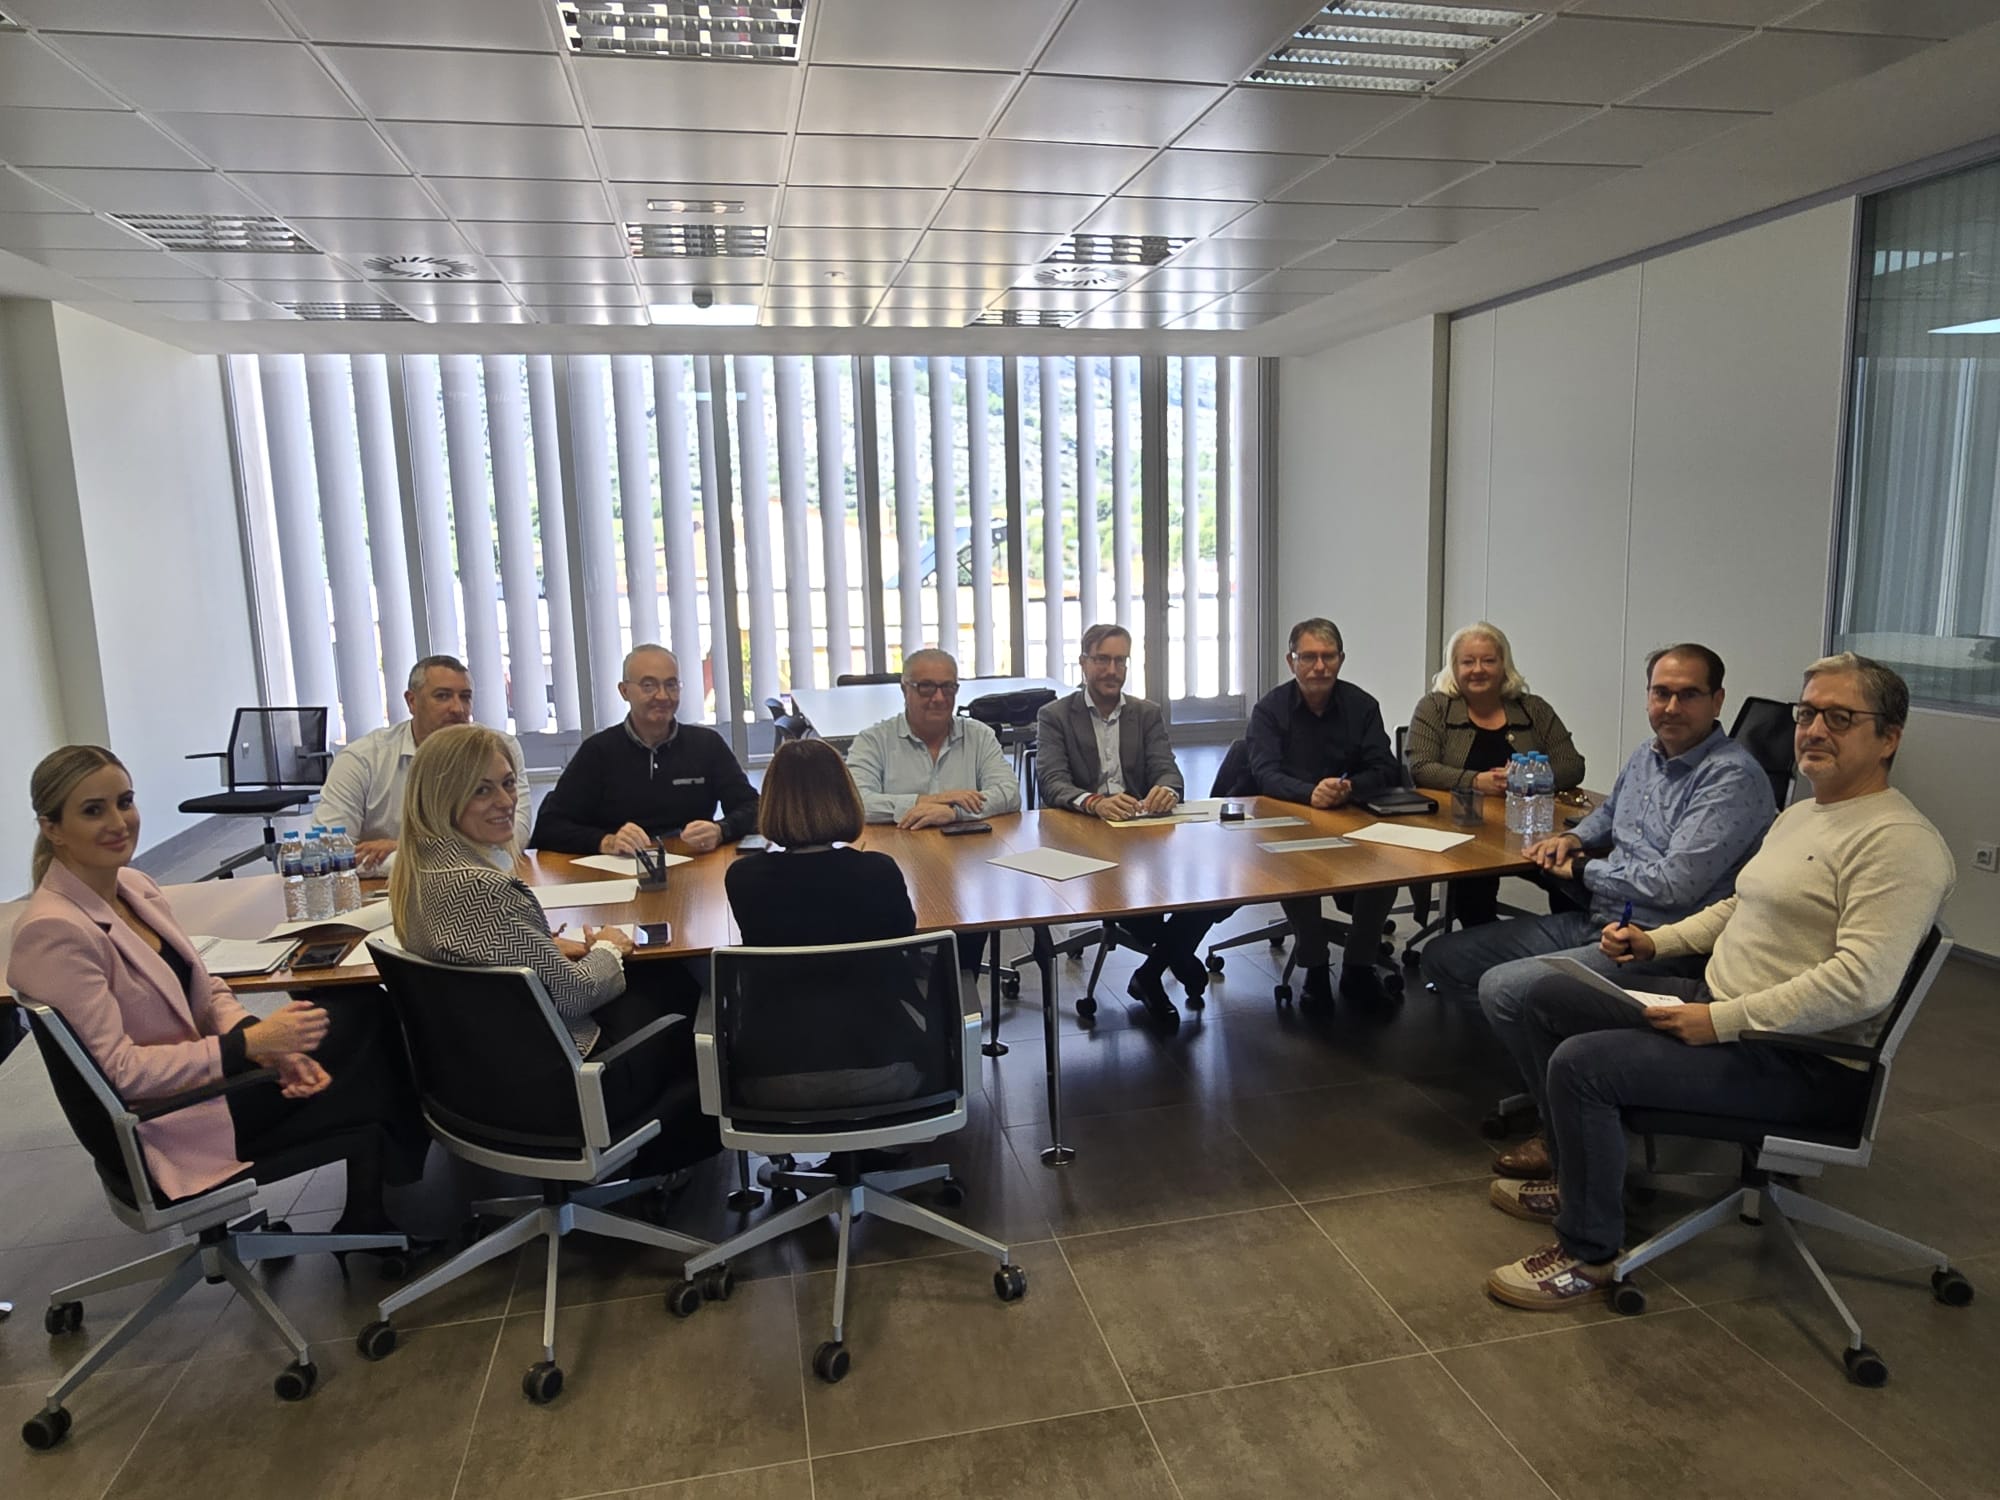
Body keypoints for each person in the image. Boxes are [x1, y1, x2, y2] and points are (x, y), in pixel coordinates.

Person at [1483, 654, 1955, 1310]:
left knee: (1582, 1066)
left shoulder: (1899, 844)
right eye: (1808, 713)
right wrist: (1657, 941)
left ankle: (1588, 1253)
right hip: (1723, 1006)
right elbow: (1740, 905)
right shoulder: (1807, 813)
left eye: (1841, 717)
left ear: (1889, 737)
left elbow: (1860, 985)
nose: (1815, 730)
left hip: (1800, 1058)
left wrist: (1721, 1021)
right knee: (1549, 996)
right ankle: (1579, 1181)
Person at [8, 746, 425, 1245]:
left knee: (359, 1014)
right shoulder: (55, 930)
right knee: (366, 1048)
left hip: (200, 1088)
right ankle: (380, 1209)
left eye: (125, 802)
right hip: (165, 1121)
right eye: (93, 810)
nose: (119, 822)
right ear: (52, 828)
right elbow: (121, 1072)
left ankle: (371, 1211)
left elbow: (204, 989)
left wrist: (263, 1041)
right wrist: (246, 1048)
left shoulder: (134, 887)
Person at [1421, 642, 1775, 1180]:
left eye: (1688, 695)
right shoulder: (1648, 754)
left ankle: (1565, 1127)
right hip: (1596, 919)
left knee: (1505, 989)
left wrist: (1583, 870)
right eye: (1661, 693)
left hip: (1657, 943)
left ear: (1717, 700)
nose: (1671, 707)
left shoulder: (1731, 777)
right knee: (1445, 958)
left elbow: (1675, 886)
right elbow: (1610, 814)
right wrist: (1574, 838)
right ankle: (1567, 1061)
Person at [391, 724, 717, 1177]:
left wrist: (541, 946)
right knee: (687, 1000)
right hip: (558, 1090)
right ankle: (667, 1163)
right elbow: (574, 996)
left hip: (481, 1076)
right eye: (482, 790)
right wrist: (607, 948)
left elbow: (483, 955)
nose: (505, 801)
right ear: (442, 796)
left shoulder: (420, 873)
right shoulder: (483, 888)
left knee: (654, 983)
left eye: (508, 784)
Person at [724, 739, 928, 1109]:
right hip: (887, 1068)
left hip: (769, 1078)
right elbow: (905, 940)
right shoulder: (878, 871)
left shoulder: (743, 878)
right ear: (845, 796)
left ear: (771, 802)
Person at [1038, 622, 1221, 1032]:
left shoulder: (1146, 712)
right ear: (1083, 663)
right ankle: (1174, 960)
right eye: (1102, 659)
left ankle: (1151, 972)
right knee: (1142, 908)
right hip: (1083, 839)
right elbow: (1052, 782)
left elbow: (1168, 770)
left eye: (1120, 660)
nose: (1111, 670)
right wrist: (1095, 802)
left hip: (1144, 836)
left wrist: (1166, 791)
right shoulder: (1055, 716)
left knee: (1215, 890)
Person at [1245, 618, 1403, 1008]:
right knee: (1296, 870)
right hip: (1289, 819)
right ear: (1291, 661)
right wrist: (1309, 793)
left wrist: (1350, 788)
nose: (1319, 666)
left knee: (1387, 870)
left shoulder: (1362, 706)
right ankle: (1314, 967)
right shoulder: (1270, 710)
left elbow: (1386, 768)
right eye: (1309, 657)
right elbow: (1264, 774)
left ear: (1341, 659)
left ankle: (1359, 967)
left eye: (1328, 657)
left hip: (1350, 816)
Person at [1406, 622, 1585, 927]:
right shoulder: (1435, 707)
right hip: (1463, 828)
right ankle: (1485, 946)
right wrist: (1476, 781)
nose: (1478, 670)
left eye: (1488, 661)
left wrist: (1525, 777)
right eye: (1468, 662)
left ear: (1504, 665)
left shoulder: (1533, 709)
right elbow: (1420, 767)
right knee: (1474, 885)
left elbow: (1572, 765)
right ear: (1454, 667)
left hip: (1528, 829)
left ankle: (1565, 942)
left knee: (1570, 876)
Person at [530, 644, 759, 856]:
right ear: (624, 691)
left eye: (671, 685)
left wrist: (721, 830)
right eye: (648, 686)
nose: (662, 696)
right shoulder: (598, 751)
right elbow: (549, 827)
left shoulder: (707, 745)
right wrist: (605, 841)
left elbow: (755, 808)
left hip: (694, 863)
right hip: (617, 871)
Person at [313, 654, 531, 875]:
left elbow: (516, 835)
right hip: (386, 890)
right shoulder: (362, 760)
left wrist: (408, 848)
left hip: (476, 882)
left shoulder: (498, 749)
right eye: (443, 696)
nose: (458, 709)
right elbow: (329, 852)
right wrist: (452, 854)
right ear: (412, 701)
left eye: (465, 697)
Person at [844, 648, 1021, 829]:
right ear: (904, 689)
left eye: (948, 687)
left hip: (966, 845)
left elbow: (1010, 794)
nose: (939, 698)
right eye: (926, 687)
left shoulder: (979, 736)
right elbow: (854, 803)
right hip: (896, 843)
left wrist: (955, 812)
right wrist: (931, 800)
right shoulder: (873, 741)